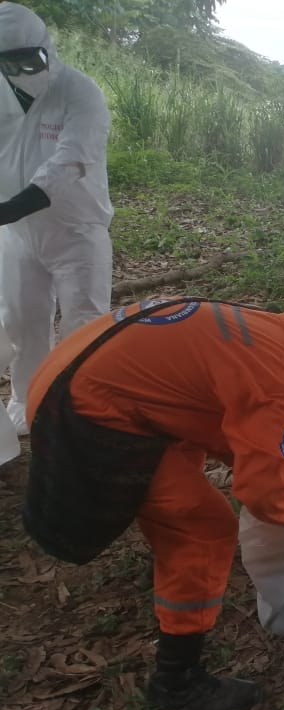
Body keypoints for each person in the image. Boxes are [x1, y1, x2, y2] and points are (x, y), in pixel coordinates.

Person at [23, 292, 284, 710]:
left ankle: (169, 568)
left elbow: (217, 422)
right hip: (91, 407)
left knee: (184, 475)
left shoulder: (269, 329)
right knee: (206, 528)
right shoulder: (279, 379)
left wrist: (275, 470)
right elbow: (265, 494)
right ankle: (177, 681)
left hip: (66, 372)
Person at [0, 2, 114, 435]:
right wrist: (10, 216)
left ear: (47, 47)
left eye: (33, 57)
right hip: (17, 232)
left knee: (83, 322)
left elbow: (71, 161)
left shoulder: (79, 92)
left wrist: (9, 207)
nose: (26, 68)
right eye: (13, 62)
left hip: (76, 229)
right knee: (21, 319)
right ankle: (27, 402)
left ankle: (79, 409)